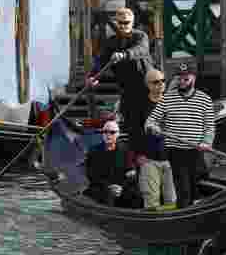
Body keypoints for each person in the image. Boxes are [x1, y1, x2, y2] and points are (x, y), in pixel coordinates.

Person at [145, 63, 215, 208]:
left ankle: (194, 209)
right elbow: (151, 120)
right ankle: (185, 213)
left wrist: (206, 142)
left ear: (193, 78)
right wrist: (153, 127)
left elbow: (210, 127)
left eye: (186, 79)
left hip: (196, 151)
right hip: (175, 151)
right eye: (180, 79)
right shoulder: (167, 99)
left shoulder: (205, 100)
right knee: (183, 189)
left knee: (197, 187)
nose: (182, 82)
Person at [87, 7, 152, 146]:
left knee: (148, 125)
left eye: (126, 23)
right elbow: (100, 61)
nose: (123, 26)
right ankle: (135, 158)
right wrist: (93, 76)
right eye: (120, 23)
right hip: (127, 89)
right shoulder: (111, 42)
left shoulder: (140, 36)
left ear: (132, 23)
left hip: (146, 88)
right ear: (116, 23)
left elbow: (140, 50)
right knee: (131, 126)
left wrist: (124, 54)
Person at [135, 68, 176, 209]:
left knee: (172, 201)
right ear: (148, 84)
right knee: (152, 201)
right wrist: (139, 154)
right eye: (156, 82)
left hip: (170, 159)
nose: (161, 84)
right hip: (149, 160)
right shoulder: (141, 105)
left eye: (163, 81)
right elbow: (134, 133)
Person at [83, 120, 141, 208]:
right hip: (101, 187)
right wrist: (109, 187)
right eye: (105, 132)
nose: (108, 135)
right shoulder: (93, 151)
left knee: (136, 196)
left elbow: (131, 172)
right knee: (104, 195)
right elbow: (91, 175)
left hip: (122, 187)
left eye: (112, 132)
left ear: (118, 134)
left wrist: (121, 187)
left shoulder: (126, 151)